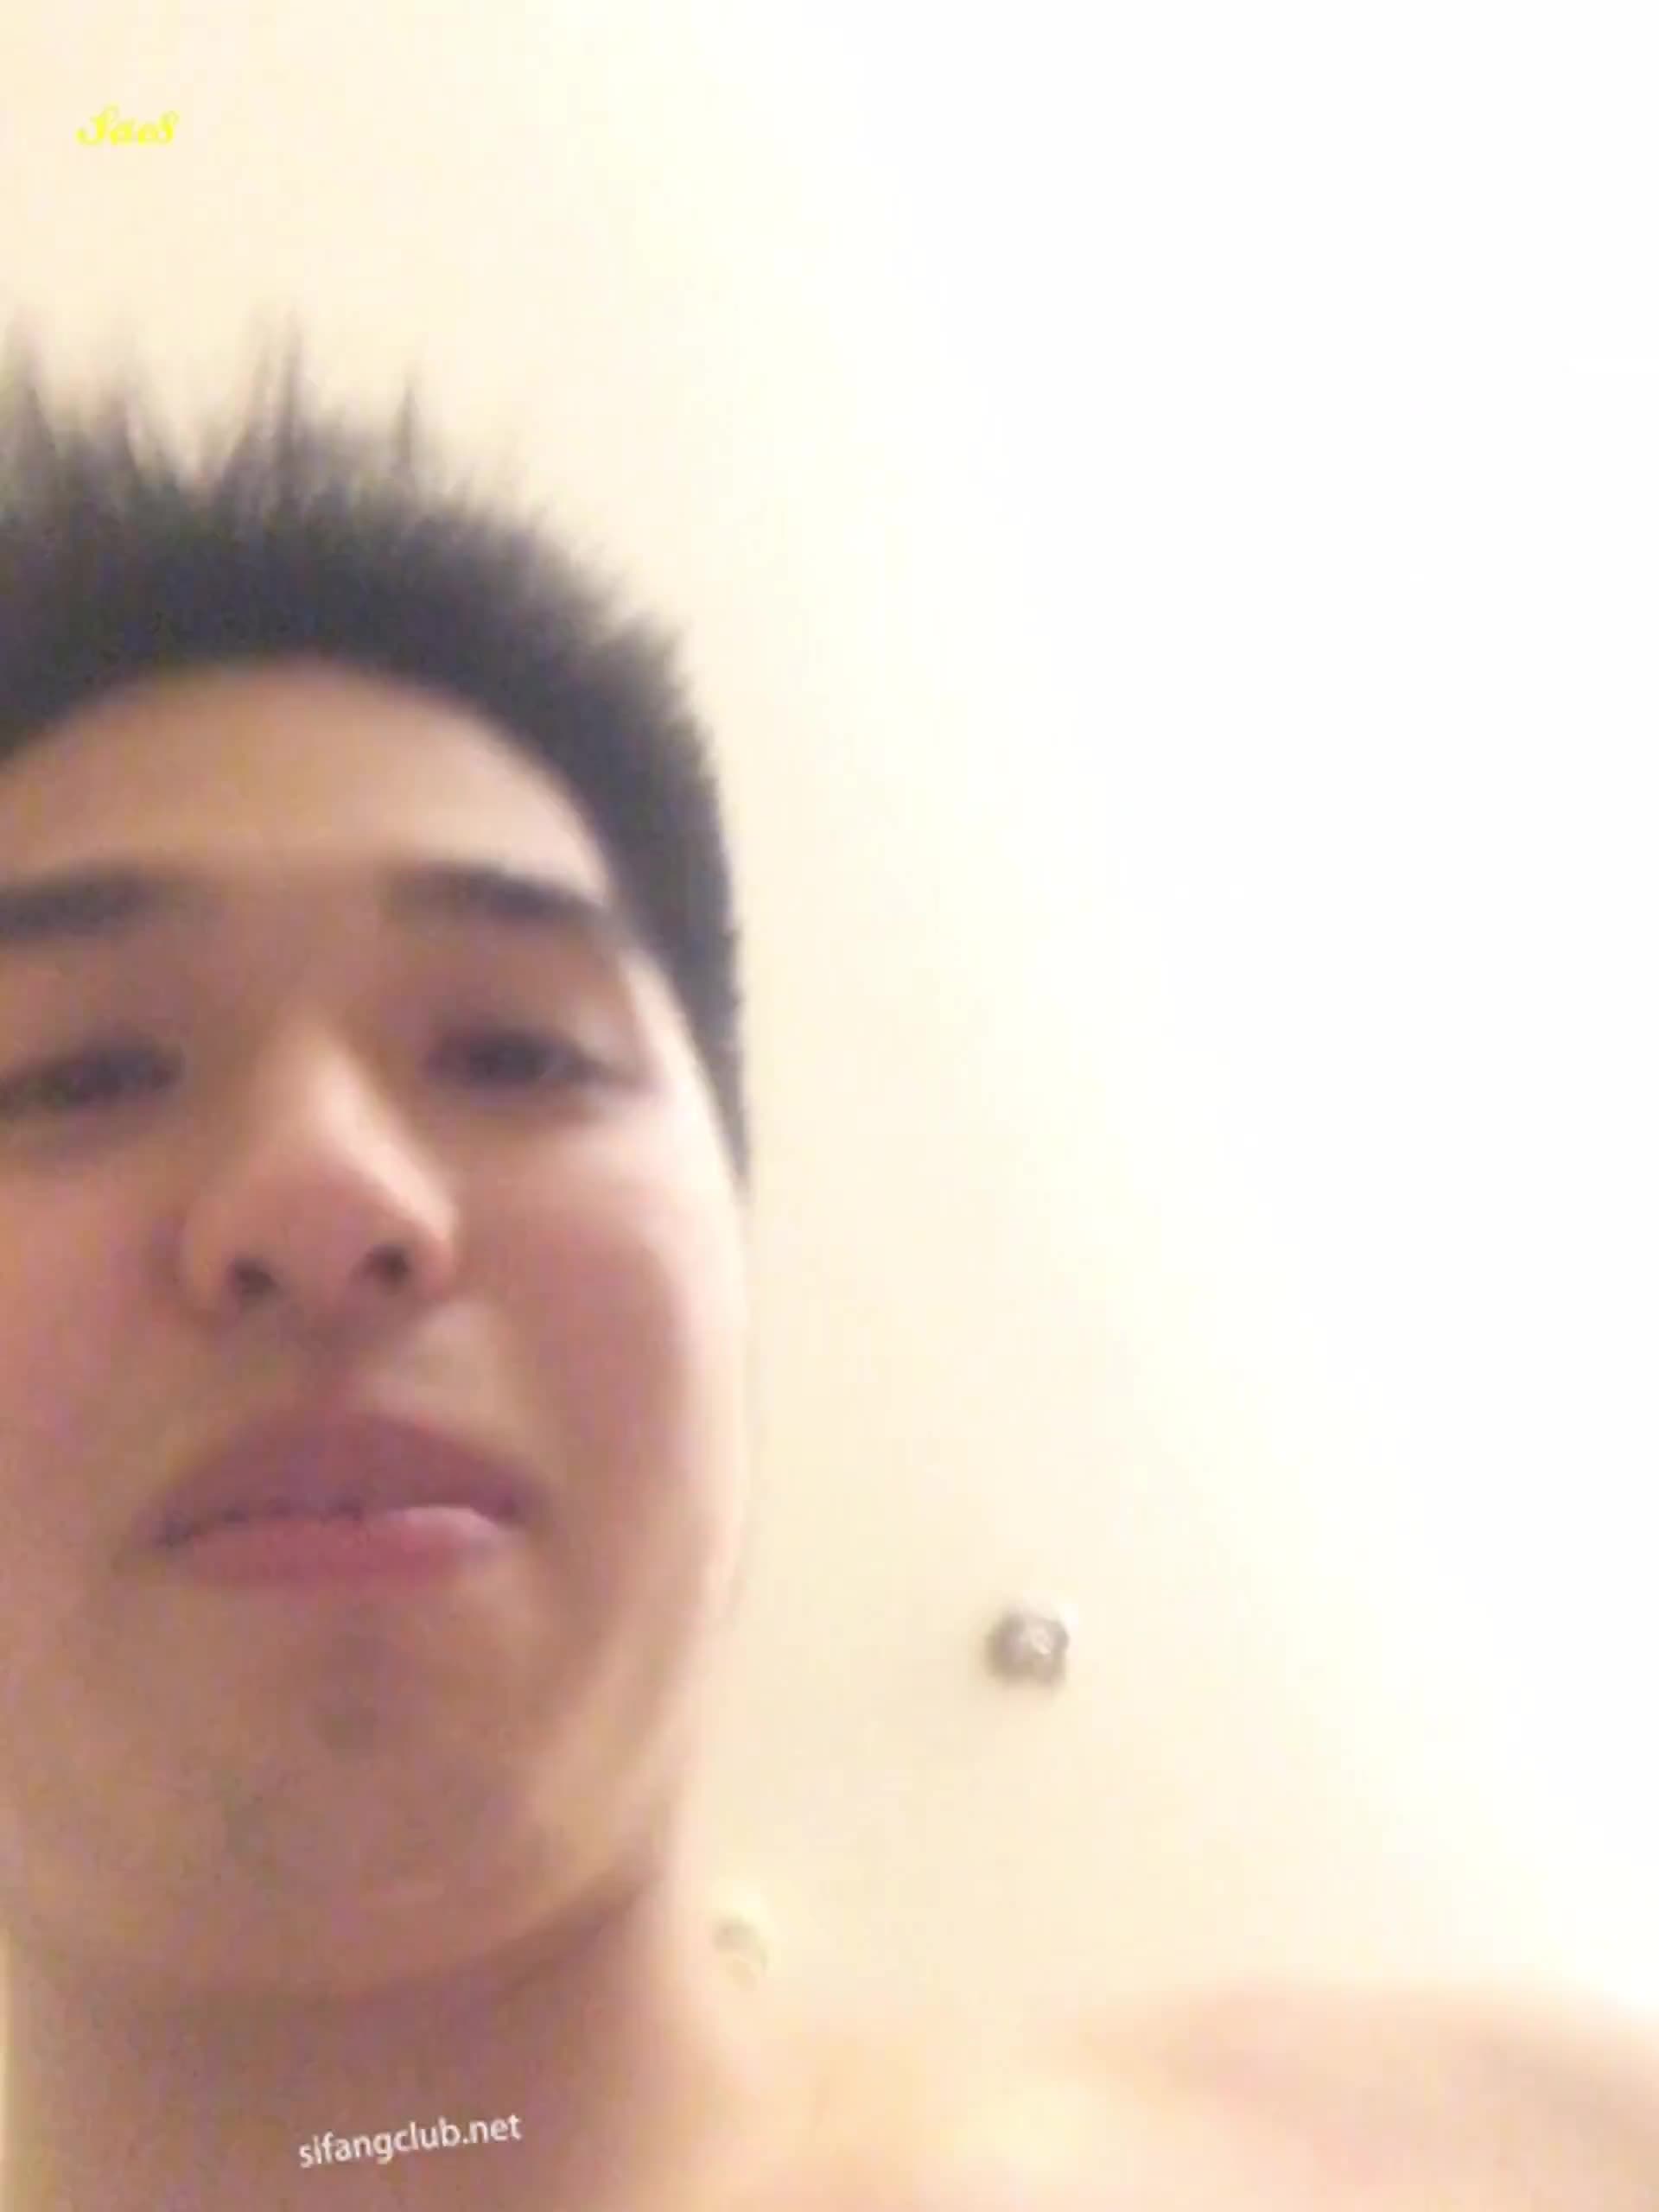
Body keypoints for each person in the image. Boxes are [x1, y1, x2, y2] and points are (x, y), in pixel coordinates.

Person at [0, 341, 1652, 2211]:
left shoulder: (1528, 2151)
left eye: (518, 1052)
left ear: (734, 1247)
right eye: (73, 1075)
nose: (325, 1194)